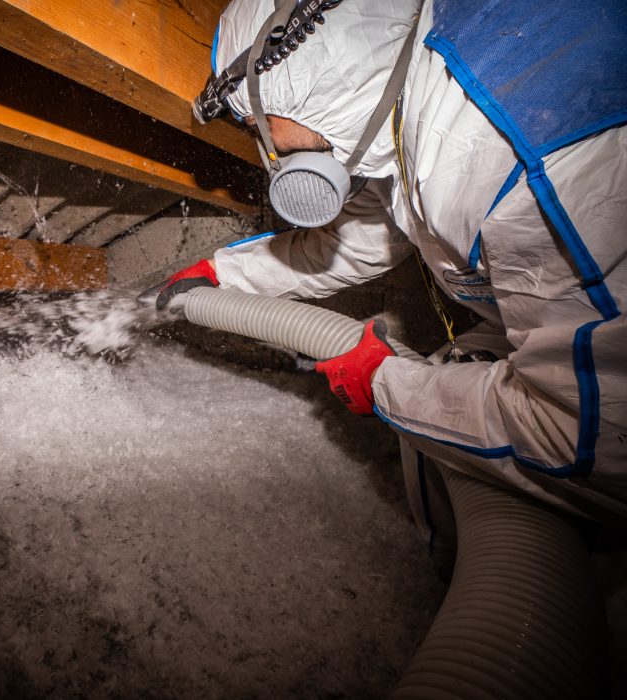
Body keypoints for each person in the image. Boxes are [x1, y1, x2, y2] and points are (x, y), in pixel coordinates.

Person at [142, 0, 627, 532]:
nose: (264, 145)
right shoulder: (413, 86)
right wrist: (225, 275)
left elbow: (593, 435)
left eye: (254, 124)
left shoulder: (514, 166)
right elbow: (368, 235)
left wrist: (385, 380)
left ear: (285, 86)